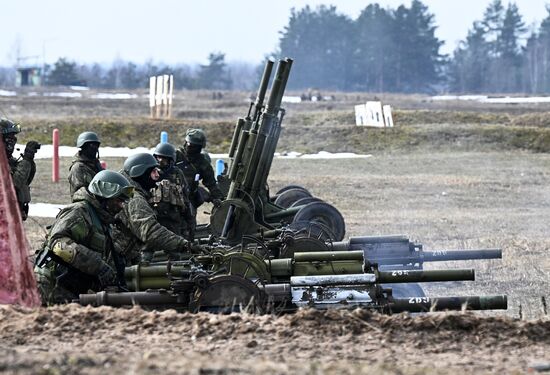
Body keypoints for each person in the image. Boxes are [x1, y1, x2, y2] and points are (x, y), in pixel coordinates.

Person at [34, 170, 134, 305]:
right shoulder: (79, 212)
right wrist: (98, 266)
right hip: (52, 285)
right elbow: (59, 244)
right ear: (105, 196)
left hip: (70, 287)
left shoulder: (102, 221)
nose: (122, 205)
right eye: (119, 200)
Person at [115, 152, 191, 264]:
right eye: (153, 171)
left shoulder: (128, 190)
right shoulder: (134, 198)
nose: (157, 175)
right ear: (140, 173)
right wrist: (184, 245)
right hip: (119, 257)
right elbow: (150, 231)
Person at [151, 142, 195, 240]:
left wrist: (189, 220)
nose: (161, 161)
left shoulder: (177, 174)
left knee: (176, 249)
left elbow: (185, 198)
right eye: (158, 157)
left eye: (164, 158)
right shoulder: (151, 172)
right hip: (155, 218)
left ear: (171, 160)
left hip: (173, 218)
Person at [176, 128, 224, 213]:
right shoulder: (175, 156)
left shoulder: (202, 163)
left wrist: (219, 199)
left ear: (200, 147)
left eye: (194, 145)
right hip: (171, 199)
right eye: (189, 143)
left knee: (189, 224)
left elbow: (211, 184)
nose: (190, 147)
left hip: (189, 201)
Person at [1, 118, 40, 221]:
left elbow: (26, 180)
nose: (13, 141)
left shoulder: (8, 160)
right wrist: (26, 159)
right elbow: (15, 183)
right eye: (9, 138)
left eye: (14, 137)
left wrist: (29, 159)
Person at [68, 131, 103, 199]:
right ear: (83, 146)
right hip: (86, 204)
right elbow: (81, 193)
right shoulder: (78, 168)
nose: (95, 148)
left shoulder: (96, 164)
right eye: (91, 145)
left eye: (96, 145)